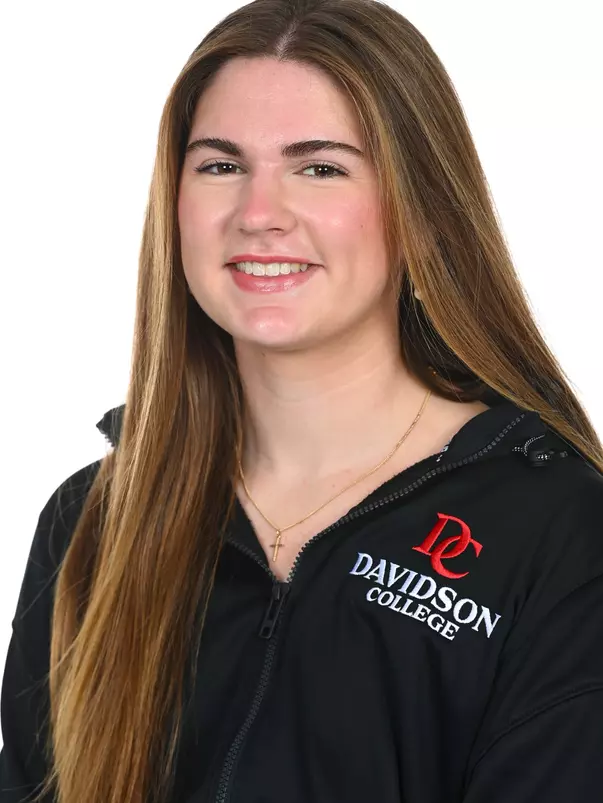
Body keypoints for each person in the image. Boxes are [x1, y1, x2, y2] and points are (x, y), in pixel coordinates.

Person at [1, 0, 603, 801]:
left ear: (417, 206)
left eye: (319, 167)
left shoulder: (559, 531)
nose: (258, 214)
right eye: (220, 165)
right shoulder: (94, 521)